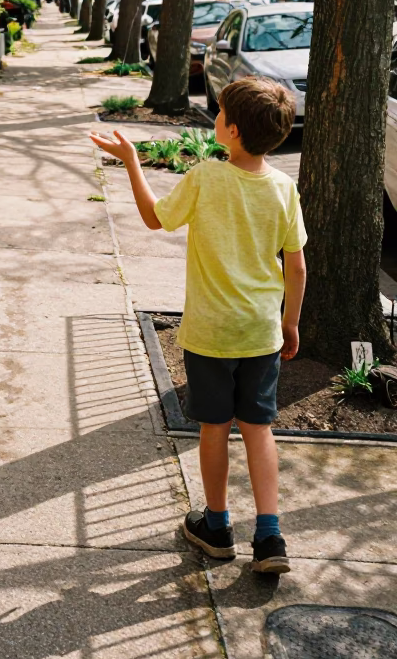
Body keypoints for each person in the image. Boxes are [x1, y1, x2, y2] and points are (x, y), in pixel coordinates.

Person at [91, 77, 306, 575]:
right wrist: (289, 323)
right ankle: (270, 536)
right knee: (259, 428)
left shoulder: (207, 177)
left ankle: (217, 525)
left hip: (211, 332)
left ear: (230, 130)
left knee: (215, 427)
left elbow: (154, 218)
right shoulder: (283, 187)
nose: (213, 120)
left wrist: (131, 163)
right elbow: (295, 266)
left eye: (219, 113)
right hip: (260, 331)